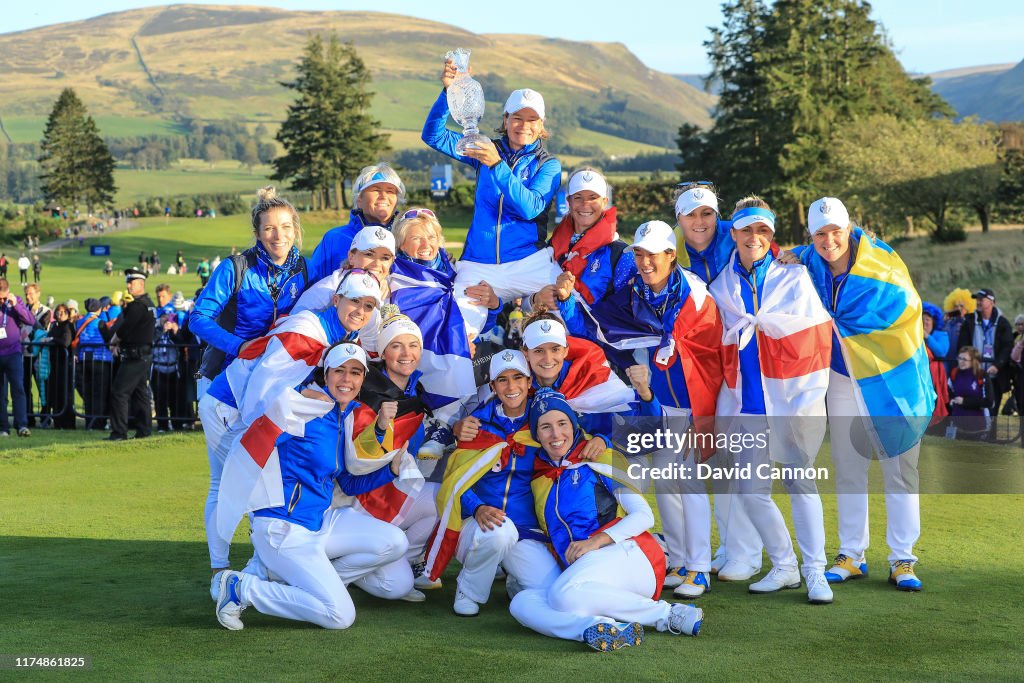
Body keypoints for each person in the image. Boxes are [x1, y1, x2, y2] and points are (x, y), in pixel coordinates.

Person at [558, 220, 734, 592]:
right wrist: (568, 302)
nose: (644, 261)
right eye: (638, 253)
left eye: (652, 254)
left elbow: (697, 348)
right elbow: (600, 328)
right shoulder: (635, 290)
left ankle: (700, 567)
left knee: (688, 483)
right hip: (657, 402)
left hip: (691, 401)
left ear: (671, 255)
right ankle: (682, 560)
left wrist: (656, 364)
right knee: (667, 485)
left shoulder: (693, 293)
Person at [783, 197, 934, 592]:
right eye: (820, 234)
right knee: (849, 466)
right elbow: (794, 257)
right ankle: (852, 554)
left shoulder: (881, 264)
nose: (829, 240)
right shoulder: (809, 260)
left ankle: (903, 558)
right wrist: (787, 255)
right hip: (841, 377)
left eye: (836, 232)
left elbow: (908, 309)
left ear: (849, 229)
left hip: (888, 377)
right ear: (811, 236)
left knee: (899, 468)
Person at [213, 343, 415, 631]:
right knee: (340, 617)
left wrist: (391, 471)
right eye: (339, 371)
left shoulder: (342, 415)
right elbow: (263, 421)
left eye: (355, 373)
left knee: (395, 542)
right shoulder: (304, 407)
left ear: (363, 379)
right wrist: (292, 397)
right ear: (326, 374)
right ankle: (242, 588)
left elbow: (345, 481)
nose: (347, 379)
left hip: (320, 522)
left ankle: (296, 578)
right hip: (283, 528)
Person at [201, 270, 382, 576]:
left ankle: (234, 569)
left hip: (234, 403)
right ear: (336, 300)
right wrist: (302, 392)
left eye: (368, 306)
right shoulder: (306, 333)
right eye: (354, 301)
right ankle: (237, 572)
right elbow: (259, 393)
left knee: (236, 485)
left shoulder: (336, 332)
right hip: (230, 407)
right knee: (247, 484)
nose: (360, 311)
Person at [508, 390, 703, 651]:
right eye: (545, 427)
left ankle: (668, 614)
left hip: (628, 555)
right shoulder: (538, 477)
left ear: (573, 424)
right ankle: (595, 627)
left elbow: (644, 516)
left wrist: (595, 542)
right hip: (586, 574)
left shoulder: (598, 459)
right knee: (521, 603)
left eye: (562, 423)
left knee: (562, 595)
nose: (556, 435)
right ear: (536, 433)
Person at [709, 197, 833, 604]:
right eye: (747, 230)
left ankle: (816, 572)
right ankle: (784, 567)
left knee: (801, 484)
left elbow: (814, 337)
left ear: (771, 235)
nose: (755, 237)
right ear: (735, 234)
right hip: (747, 405)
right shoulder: (721, 286)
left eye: (762, 230)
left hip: (790, 401)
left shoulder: (793, 279)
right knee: (751, 490)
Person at [426, 350, 561, 617]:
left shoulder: (544, 421)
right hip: (478, 528)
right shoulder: (477, 424)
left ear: (529, 380)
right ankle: (468, 590)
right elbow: (456, 479)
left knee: (549, 589)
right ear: (492, 386)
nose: (511, 387)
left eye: (518, 378)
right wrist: (477, 508)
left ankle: (513, 576)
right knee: (499, 532)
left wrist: (601, 440)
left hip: (527, 531)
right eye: (502, 380)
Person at [422, 59, 562, 314]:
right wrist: (448, 93)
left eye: (532, 120)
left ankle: (517, 321)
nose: (524, 125)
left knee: (562, 315)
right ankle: (492, 335)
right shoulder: (486, 147)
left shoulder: (548, 164)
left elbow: (530, 209)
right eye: (518, 117)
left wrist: (497, 165)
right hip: (478, 264)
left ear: (541, 126)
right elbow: (434, 136)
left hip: (529, 262)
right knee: (461, 330)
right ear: (505, 120)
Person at [351, 312, 441, 598]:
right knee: (395, 588)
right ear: (384, 352)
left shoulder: (416, 390)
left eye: (413, 345)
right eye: (396, 346)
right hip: (360, 500)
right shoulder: (367, 393)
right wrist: (378, 428)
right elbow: (355, 458)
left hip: (393, 489)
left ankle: (404, 559)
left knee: (443, 498)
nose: (406, 353)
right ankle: (343, 565)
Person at [189, 187, 310, 394]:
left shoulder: (305, 269)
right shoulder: (235, 268)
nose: (279, 235)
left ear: (295, 230)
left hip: (278, 380)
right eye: (269, 228)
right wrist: (239, 346)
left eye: (286, 227)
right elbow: (198, 318)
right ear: (258, 234)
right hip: (225, 375)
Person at [528, 168, 635, 314]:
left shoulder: (622, 254)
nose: (585, 204)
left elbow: (627, 313)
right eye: (578, 197)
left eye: (593, 197)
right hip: (546, 332)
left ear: (605, 202)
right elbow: (523, 300)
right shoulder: (552, 246)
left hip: (595, 335)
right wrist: (535, 299)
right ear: (569, 201)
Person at [308, 163, 405, 283]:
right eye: (376, 190)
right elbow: (313, 283)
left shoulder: (406, 239)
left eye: (390, 191)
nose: (383, 196)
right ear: (359, 199)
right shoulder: (334, 239)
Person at [102, 268, 156, 441]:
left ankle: (119, 432)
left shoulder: (138, 306)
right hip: (143, 355)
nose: (128, 286)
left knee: (119, 392)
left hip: (135, 356)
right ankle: (144, 431)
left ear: (141, 284)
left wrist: (113, 341)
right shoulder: (149, 304)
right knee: (141, 395)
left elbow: (125, 329)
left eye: (131, 283)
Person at [957, 288, 1014, 425]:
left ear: (992, 302)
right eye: (977, 300)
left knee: (992, 410)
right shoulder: (969, 320)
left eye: (981, 299)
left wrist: (997, 365)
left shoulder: (1003, 323)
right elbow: (962, 344)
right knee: (972, 409)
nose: (978, 302)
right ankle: (970, 438)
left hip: (995, 376)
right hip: (973, 374)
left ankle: (990, 439)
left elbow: (1007, 347)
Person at [0, 278, 34, 437]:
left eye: (3, 298)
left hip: (13, 353)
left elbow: (30, 320)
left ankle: (21, 425)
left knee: (18, 389)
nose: (1, 300)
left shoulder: (16, 302)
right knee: (1, 394)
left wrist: (15, 305)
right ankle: (3, 427)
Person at [73, 298, 113, 429]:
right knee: (100, 393)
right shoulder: (100, 322)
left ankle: (89, 421)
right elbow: (109, 339)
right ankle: (98, 422)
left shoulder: (79, 322)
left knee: (88, 393)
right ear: (99, 309)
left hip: (84, 359)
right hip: (101, 359)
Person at [19, 284, 52, 427]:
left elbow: (42, 329)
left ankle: (45, 417)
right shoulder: (22, 310)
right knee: (25, 387)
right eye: (26, 294)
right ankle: (29, 417)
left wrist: (30, 315)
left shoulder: (46, 311)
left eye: (31, 294)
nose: (28, 297)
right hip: (24, 355)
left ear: (38, 294)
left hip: (40, 356)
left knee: (42, 387)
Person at [947, 346, 993, 439]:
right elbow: (949, 391)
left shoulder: (981, 375)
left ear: (973, 361)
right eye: (959, 358)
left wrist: (965, 402)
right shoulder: (954, 373)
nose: (961, 361)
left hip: (978, 428)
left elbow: (988, 401)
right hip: (957, 425)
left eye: (964, 359)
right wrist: (951, 400)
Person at [45, 304, 76, 429]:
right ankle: (58, 421)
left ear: (68, 314)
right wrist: (51, 339)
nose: (61, 314)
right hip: (55, 364)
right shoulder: (55, 326)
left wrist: (52, 339)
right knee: (56, 393)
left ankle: (67, 422)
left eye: (63, 312)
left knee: (64, 393)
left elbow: (65, 342)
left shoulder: (68, 326)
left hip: (64, 364)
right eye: (58, 312)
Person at [922, 303, 950, 430]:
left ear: (934, 321)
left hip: (935, 377)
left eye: (927, 319)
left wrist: (927, 337)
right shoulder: (913, 336)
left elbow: (941, 352)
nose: (925, 322)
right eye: (922, 319)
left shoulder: (941, 335)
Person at [942, 288, 974, 372]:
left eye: (962, 306)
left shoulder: (969, 323)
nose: (958, 308)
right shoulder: (947, 323)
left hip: (962, 360)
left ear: (968, 307)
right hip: (947, 360)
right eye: (956, 306)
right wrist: (943, 322)